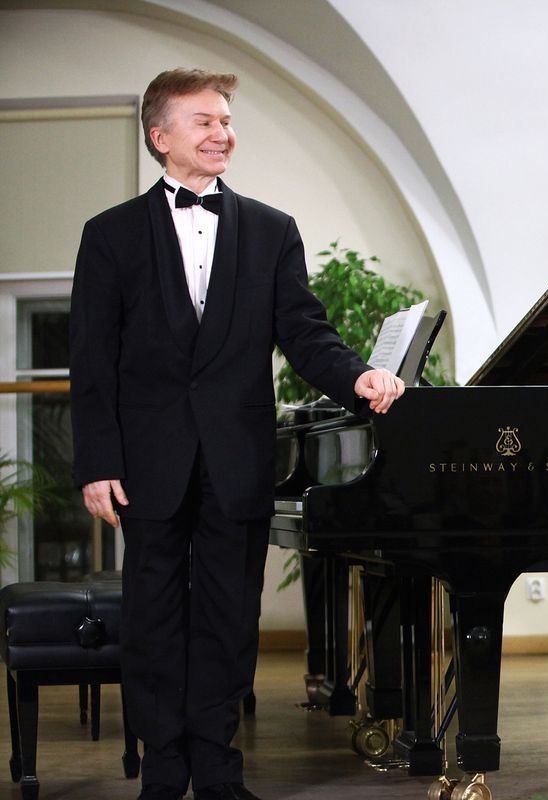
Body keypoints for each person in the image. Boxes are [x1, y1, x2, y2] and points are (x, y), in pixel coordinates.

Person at [69, 68, 405, 800]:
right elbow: (91, 361)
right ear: (161, 136)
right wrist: (96, 463)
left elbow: (304, 332)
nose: (222, 132)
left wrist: (357, 377)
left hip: (238, 458)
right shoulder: (109, 234)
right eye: (205, 121)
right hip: (145, 463)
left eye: (226, 120)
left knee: (228, 621)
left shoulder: (271, 229)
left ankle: (219, 773)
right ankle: (163, 773)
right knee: (153, 622)